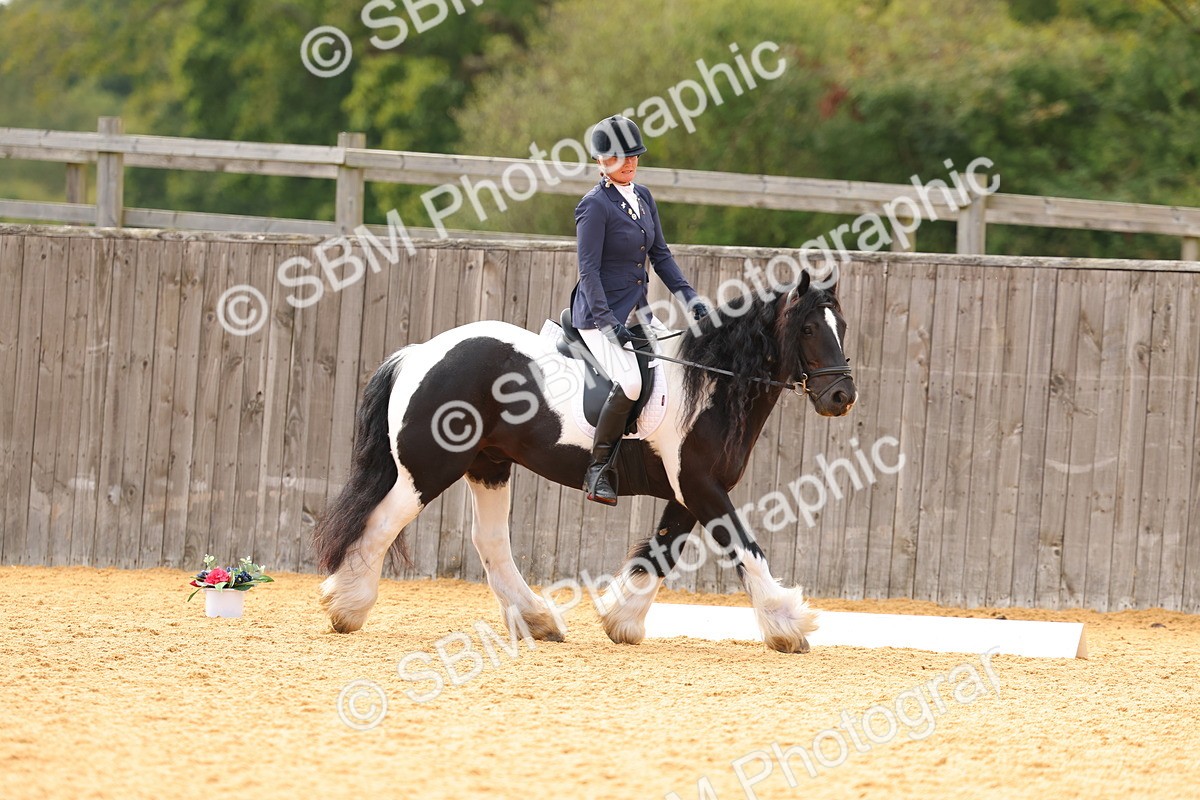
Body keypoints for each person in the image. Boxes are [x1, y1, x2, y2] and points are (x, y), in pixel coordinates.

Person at [572, 114, 709, 506]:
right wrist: (606, 321)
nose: (629, 163)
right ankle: (598, 469)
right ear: (602, 161)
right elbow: (589, 271)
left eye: (633, 156)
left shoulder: (643, 197)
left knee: (674, 365)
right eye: (620, 157)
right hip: (599, 316)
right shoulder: (594, 207)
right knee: (631, 383)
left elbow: (660, 256)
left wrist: (690, 298)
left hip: (639, 311)